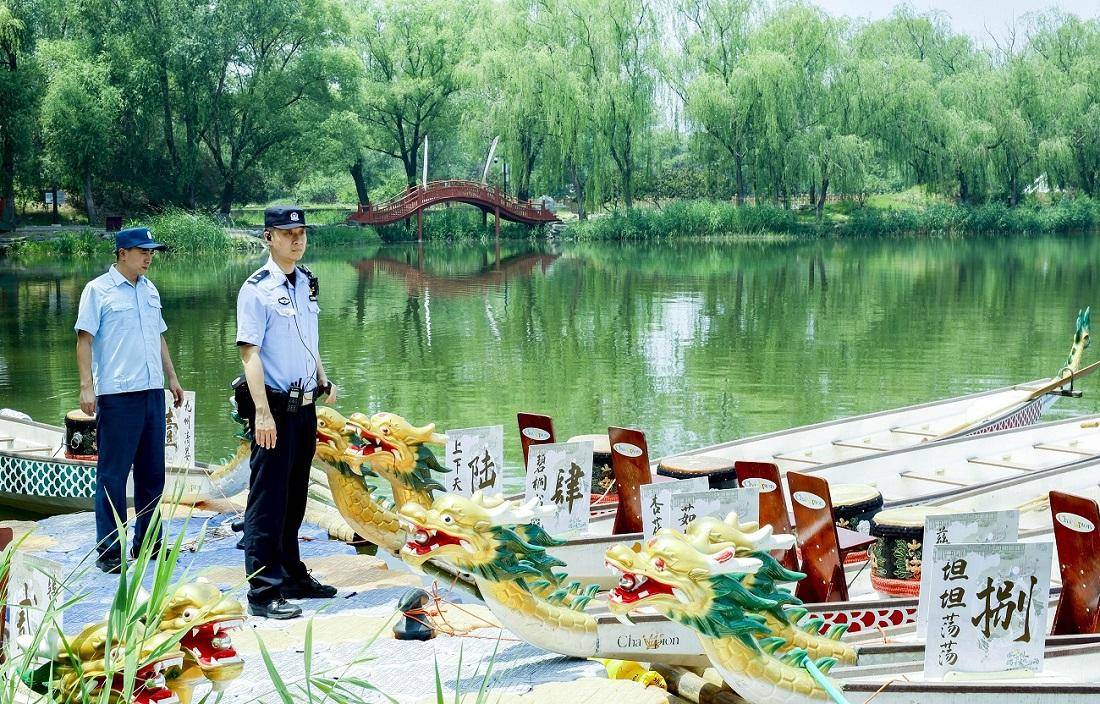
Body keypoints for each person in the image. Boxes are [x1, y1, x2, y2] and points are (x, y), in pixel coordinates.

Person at [236, 205, 337, 620]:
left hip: (305, 405)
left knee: (295, 496)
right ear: (268, 238)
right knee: (267, 501)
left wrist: (322, 377)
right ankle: (263, 590)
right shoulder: (256, 289)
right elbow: (249, 353)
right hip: (273, 407)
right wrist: (262, 412)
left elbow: (306, 338)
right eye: (287, 233)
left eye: (301, 232)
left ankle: (292, 573)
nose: (297, 239)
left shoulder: (305, 283)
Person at [75, 226, 185, 574]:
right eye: (142, 251)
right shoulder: (98, 291)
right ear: (122, 253)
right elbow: (84, 340)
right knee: (113, 475)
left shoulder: (149, 290)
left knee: (153, 474)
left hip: (152, 391)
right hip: (118, 395)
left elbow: (159, 336)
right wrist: (86, 386)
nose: (149, 256)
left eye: (151, 251)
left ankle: (149, 543)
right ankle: (109, 551)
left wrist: (172, 377)